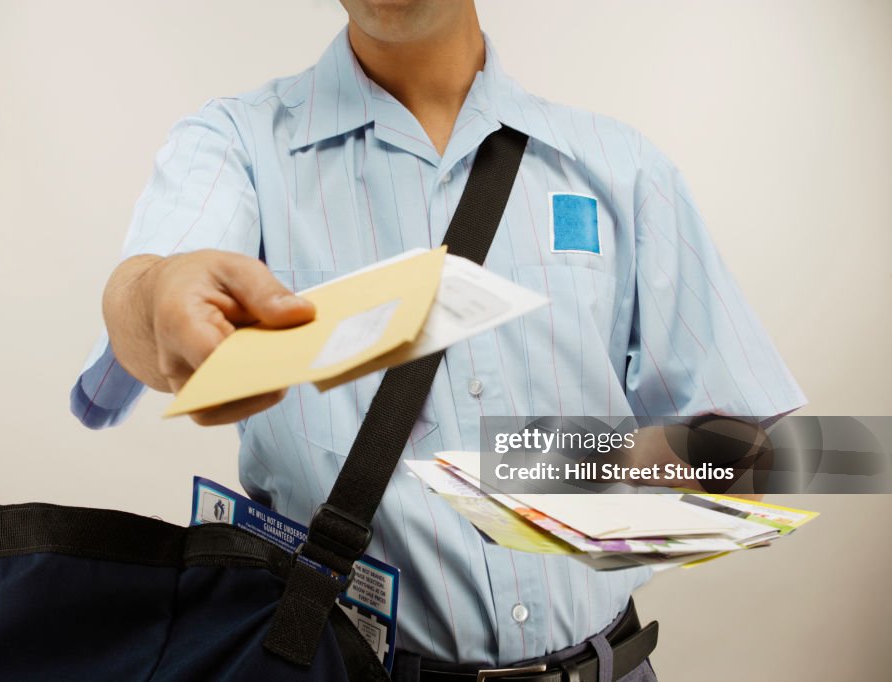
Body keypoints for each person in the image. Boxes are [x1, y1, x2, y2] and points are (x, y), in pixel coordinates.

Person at [72, 1, 804, 679]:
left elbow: (749, 457)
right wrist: (156, 297)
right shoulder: (236, 142)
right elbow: (147, 300)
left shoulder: (623, 167)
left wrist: (556, 482)